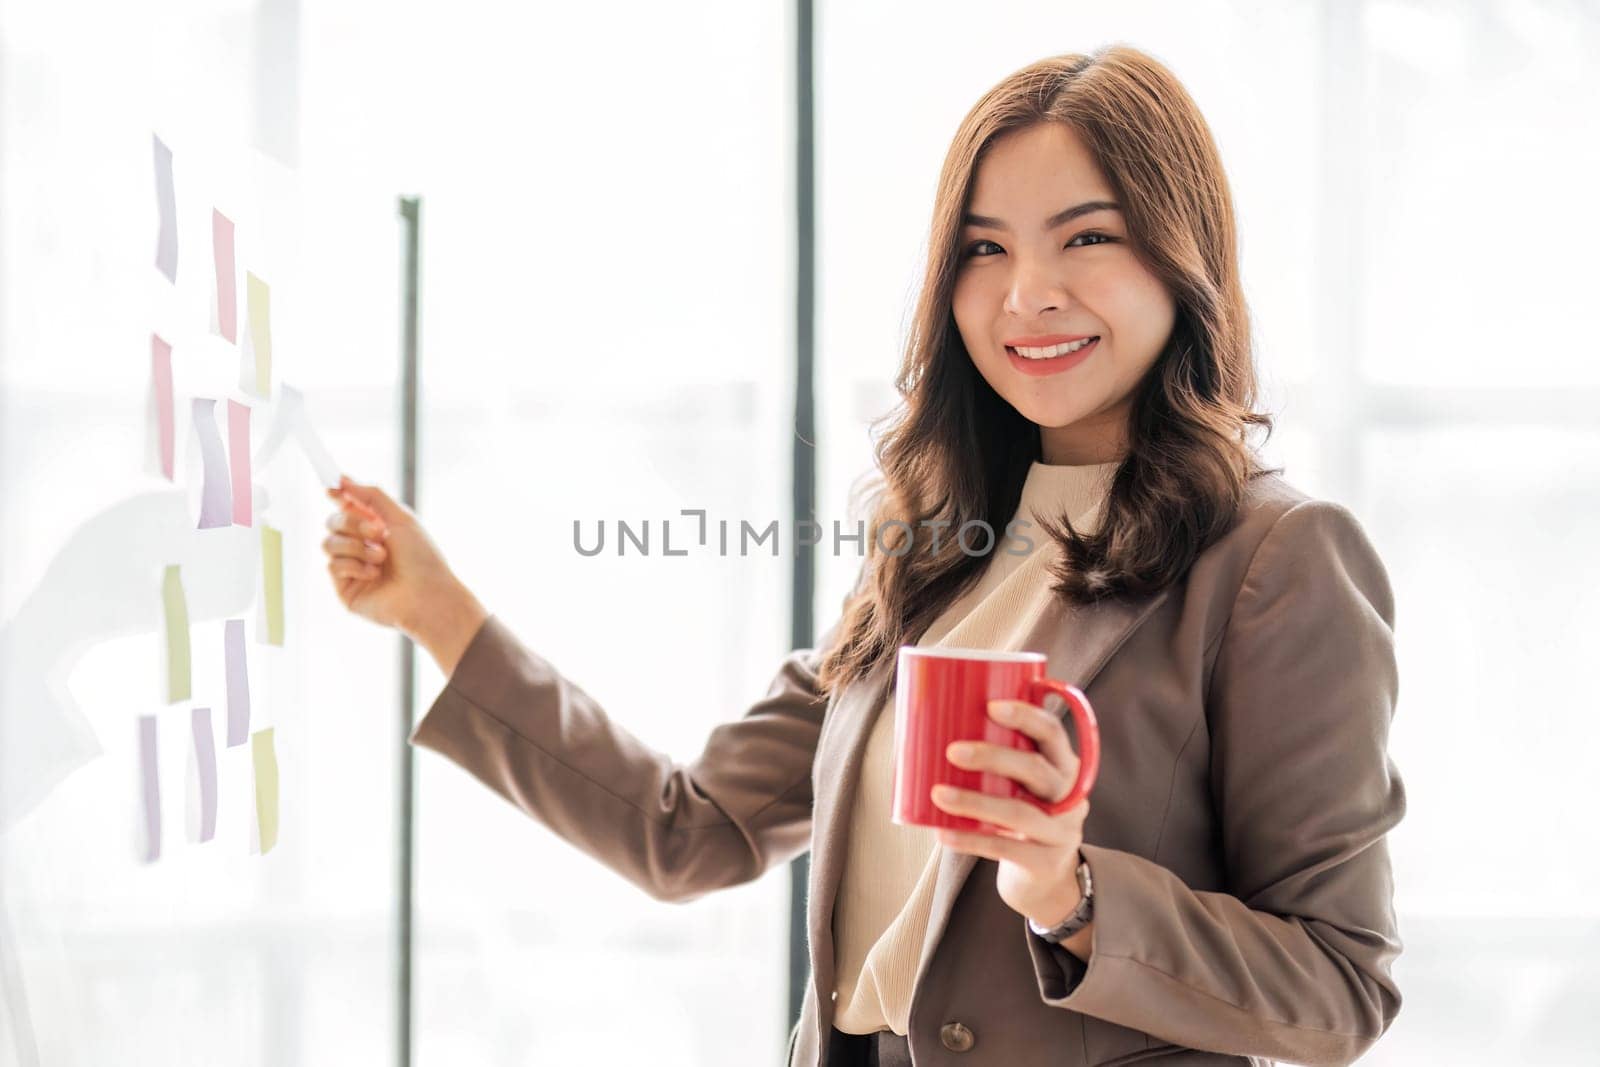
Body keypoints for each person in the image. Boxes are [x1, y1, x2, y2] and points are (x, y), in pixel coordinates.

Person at [322, 44, 1404, 1067]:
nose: (1026, 292)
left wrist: (1071, 892)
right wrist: (438, 612)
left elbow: (1338, 984)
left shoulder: (1274, 558)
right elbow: (688, 830)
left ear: (1183, 255)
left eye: (1086, 236)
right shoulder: (937, 551)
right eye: (984, 247)